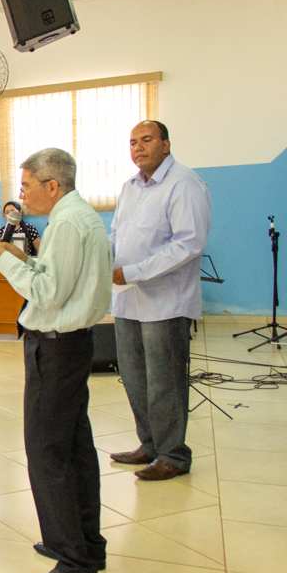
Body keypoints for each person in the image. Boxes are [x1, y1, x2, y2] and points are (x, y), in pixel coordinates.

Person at [0, 147, 112, 573]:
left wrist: (0, 257)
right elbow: (58, 277)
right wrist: (18, 255)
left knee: (48, 453)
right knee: (75, 447)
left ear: (52, 185)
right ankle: (86, 544)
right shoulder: (78, 216)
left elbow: (47, 293)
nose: (22, 194)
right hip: (72, 344)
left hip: (56, 347)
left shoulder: (66, 223)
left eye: (27, 186)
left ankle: (73, 562)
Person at [108, 121, 211, 481]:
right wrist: (101, 258)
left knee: (164, 381)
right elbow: (117, 235)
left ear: (166, 145)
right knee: (134, 377)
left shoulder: (184, 183)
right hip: (128, 299)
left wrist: (134, 271)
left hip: (166, 301)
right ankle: (150, 445)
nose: (137, 147)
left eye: (146, 140)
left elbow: (189, 243)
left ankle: (173, 455)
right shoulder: (130, 187)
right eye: (132, 142)